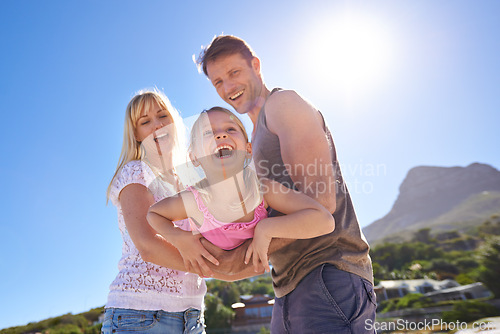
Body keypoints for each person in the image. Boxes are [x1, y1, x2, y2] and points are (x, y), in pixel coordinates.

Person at [196, 36, 376, 333]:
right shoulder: (251, 143)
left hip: (328, 272)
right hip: (287, 287)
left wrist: (259, 241)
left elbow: (322, 206)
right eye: (218, 82)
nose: (228, 88)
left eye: (234, 73)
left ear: (255, 66)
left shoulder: (282, 105)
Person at [102, 90, 255, 334]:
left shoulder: (192, 182)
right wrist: (220, 269)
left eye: (162, 115)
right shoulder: (136, 172)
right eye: (145, 122)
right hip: (139, 316)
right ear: (137, 134)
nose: (157, 125)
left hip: (192, 316)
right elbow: (147, 245)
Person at [147, 106, 334, 275]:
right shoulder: (194, 200)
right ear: (194, 157)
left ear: (248, 149)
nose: (221, 135)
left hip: (265, 275)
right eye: (209, 133)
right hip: (221, 277)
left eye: (230, 129)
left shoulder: (262, 189)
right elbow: (154, 214)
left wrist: (266, 229)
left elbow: (324, 220)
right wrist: (179, 238)